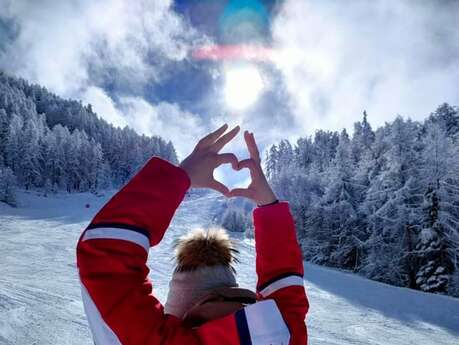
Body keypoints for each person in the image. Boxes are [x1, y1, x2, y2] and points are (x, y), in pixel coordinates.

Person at [77, 124, 309, 345]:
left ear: (180, 312)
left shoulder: (286, 330)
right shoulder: (279, 332)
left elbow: (103, 258)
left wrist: (182, 176)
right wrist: (269, 208)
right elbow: (105, 256)